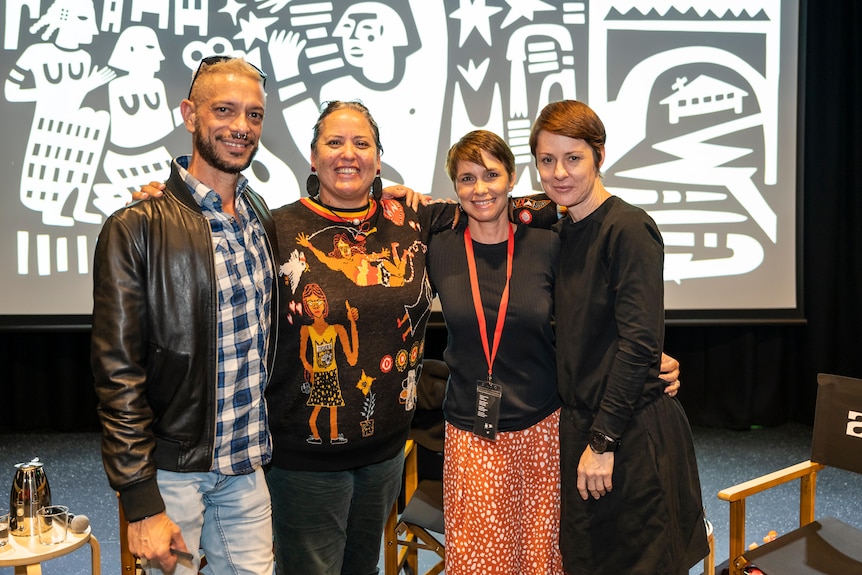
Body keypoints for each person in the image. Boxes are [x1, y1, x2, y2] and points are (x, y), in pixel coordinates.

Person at [91, 56, 278, 575]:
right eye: (225, 110)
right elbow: (117, 376)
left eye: (255, 115)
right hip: (173, 476)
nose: (241, 127)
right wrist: (140, 500)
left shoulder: (259, 216)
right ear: (190, 114)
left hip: (246, 467)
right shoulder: (136, 227)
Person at [263, 100, 456, 575]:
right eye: (334, 142)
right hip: (304, 458)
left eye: (361, 143)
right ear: (312, 157)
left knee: (363, 568)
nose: (347, 154)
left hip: (386, 449)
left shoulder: (412, 220)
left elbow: (497, 206)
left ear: (377, 157)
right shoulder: (277, 228)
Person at [529, 100, 708, 574]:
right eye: (547, 160)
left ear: (599, 156)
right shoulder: (562, 228)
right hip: (584, 429)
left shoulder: (627, 228)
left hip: (628, 434)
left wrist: (603, 441)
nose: (559, 172)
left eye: (574, 158)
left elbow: (639, 345)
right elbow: (489, 202)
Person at [427, 130, 564, 574]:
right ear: (455, 188)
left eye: (491, 174)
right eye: (467, 178)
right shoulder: (439, 247)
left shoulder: (548, 244)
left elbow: (586, 321)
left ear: (512, 179)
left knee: (540, 560)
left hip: (542, 427)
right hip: (472, 433)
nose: (480, 188)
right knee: (479, 564)